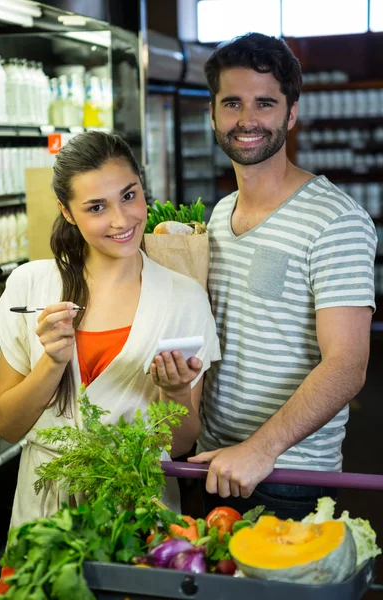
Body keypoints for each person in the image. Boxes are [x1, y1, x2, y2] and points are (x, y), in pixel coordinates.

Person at [0, 130, 220, 531]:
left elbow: (179, 444)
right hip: (47, 518)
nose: (121, 219)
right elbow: (8, 426)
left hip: (140, 512)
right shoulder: (31, 285)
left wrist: (176, 391)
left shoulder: (185, 298)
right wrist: (52, 363)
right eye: (96, 207)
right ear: (66, 211)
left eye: (129, 196)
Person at [188, 32, 377, 520]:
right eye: (231, 103)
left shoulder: (336, 220)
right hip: (211, 464)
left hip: (288, 476)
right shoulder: (220, 214)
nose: (247, 120)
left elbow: (348, 366)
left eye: (265, 103)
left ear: (290, 114)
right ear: (212, 113)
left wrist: (261, 449)